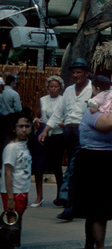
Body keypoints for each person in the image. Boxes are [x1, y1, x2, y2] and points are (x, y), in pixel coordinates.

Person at [38, 58, 93, 220]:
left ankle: (67, 203)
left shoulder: (92, 89)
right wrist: (46, 130)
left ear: (86, 73)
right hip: (68, 133)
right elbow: (58, 114)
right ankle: (79, 205)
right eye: (74, 72)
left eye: (79, 72)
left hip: (85, 133)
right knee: (76, 168)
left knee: (74, 167)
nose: (76, 75)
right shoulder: (68, 91)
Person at [72, 87, 112, 249]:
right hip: (93, 163)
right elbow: (111, 123)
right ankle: (99, 247)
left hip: (107, 163)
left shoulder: (109, 113)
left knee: (100, 213)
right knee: (97, 213)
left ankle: (90, 245)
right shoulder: (93, 113)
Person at [29, 76, 66, 208]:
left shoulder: (63, 100)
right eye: (51, 86)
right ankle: (39, 196)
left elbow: (66, 117)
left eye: (56, 86)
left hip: (57, 135)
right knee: (39, 165)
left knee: (56, 166)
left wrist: (63, 124)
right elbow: (37, 115)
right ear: (47, 87)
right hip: (43, 134)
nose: (53, 89)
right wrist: (36, 121)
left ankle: (60, 195)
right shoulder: (43, 100)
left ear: (60, 88)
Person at [1, 110, 32, 242]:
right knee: (11, 225)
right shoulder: (11, 148)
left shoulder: (25, 146)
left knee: (17, 223)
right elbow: (7, 172)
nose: (24, 129)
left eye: (27, 126)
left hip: (23, 190)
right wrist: (10, 198)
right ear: (14, 129)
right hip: (13, 192)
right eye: (20, 126)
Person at [0, 76, 22, 146]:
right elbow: (18, 109)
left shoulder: (1, 93)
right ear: (12, 82)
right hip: (11, 118)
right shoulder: (14, 94)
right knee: (9, 138)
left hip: (1, 117)